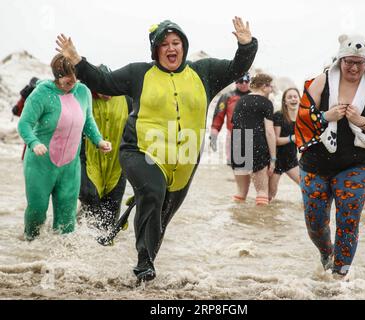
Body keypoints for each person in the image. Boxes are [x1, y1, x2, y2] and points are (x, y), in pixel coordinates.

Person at [55, 16, 257, 282]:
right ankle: (143, 262)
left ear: (183, 46)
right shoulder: (139, 73)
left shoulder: (203, 72)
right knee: (152, 190)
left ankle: (145, 271)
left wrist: (246, 46)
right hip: (139, 151)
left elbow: (236, 67)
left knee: (161, 216)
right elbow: (103, 82)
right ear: (155, 50)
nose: (171, 48)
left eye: (176, 42)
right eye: (164, 44)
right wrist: (77, 60)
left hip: (183, 161)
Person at [295, 34, 365, 278]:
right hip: (315, 163)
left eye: (359, 63)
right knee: (315, 223)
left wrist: (361, 121)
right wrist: (326, 116)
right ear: (340, 59)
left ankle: (339, 277)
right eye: (349, 61)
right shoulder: (323, 80)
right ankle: (326, 252)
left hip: (356, 164)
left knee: (348, 221)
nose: (353, 67)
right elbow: (303, 116)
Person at [17, 54, 112, 241]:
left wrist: (99, 141)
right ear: (56, 74)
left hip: (70, 166)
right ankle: (29, 249)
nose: (72, 81)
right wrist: (34, 143)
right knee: (37, 211)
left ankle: (62, 262)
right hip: (40, 164)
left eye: (75, 76)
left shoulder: (83, 92)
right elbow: (24, 124)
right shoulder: (42, 93)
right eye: (66, 76)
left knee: (66, 220)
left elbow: (88, 121)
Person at [79, 65, 133, 230]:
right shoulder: (83, 97)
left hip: (116, 163)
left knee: (111, 213)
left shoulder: (127, 100)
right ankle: (82, 238)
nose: (107, 92)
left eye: (109, 87)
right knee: (90, 198)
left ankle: (106, 250)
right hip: (88, 159)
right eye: (102, 87)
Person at [231, 73, 276, 206]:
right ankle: (261, 225)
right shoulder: (266, 103)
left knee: (240, 193)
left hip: (238, 143)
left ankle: (236, 223)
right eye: (270, 87)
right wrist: (273, 158)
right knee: (262, 192)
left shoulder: (240, 101)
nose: (271, 89)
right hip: (256, 142)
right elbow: (269, 131)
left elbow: (235, 124)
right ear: (263, 86)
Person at [209, 72, 250, 164]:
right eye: (241, 81)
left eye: (246, 81)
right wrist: (213, 135)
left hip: (252, 134)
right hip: (233, 134)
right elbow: (218, 117)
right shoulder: (227, 96)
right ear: (236, 82)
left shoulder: (254, 96)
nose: (244, 84)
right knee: (233, 162)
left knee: (250, 164)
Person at [269, 88, 301, 201]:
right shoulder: (279, 116)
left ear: (299, 99)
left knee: (306, 187)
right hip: (276, 160)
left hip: (291, 160)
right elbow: (275, 140)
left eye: (295, 96)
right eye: (290, 97)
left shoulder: (301, 118)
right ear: (285, 101)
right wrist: (292, 138)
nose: (293, 99)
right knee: (270, 195)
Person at [12, 77, 39, 160]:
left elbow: (18, 111)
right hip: (32, 123)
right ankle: (26, 160)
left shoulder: (28, 94)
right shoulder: (27, 94)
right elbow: (18, 111)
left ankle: (26, 159)